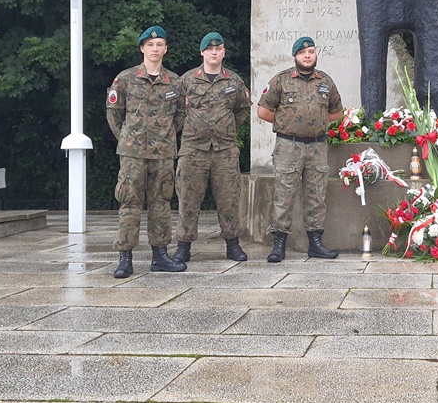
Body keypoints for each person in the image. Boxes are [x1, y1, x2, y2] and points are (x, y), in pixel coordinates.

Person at [106, 25, 187, 278]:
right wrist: (128, 139)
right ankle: (125, 258)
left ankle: (160, 255)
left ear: (166, 49)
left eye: (159, 44)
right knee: (129, 203)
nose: (155, 49)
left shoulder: (175, 82)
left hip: (163, 153)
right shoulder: (126, 79)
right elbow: (114, 114)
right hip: (133, 154)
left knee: (161, 203)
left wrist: (163, 137)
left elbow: (180, 116)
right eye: (150, 45)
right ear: (142, 48)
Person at [257, 35, 343, 262]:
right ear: (295, 56)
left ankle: (315, 243)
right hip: (289, 146)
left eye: (311, 52)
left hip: (317, 147)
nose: (307, 55)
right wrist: (287, 122)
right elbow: (263, 111)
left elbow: (336, 112)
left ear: (315, 55)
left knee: (317, 196)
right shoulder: (282, 80)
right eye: (303, 53)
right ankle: (278, 245)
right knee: (284, 195)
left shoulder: (325, 82)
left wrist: (316, 123)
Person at [173, 32, 252, 264]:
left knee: (228, 200)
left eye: (218, 49)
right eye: (210, 49)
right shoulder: (186, 80)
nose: (214, 52)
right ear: (202, 53)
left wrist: (224, 129)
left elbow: (241, 110)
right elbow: (177, 111)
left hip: (224, 151)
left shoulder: (234, 81)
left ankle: (233, 245)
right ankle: (183, 247)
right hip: (192, 150)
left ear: (224, 52)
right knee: (188, 200)